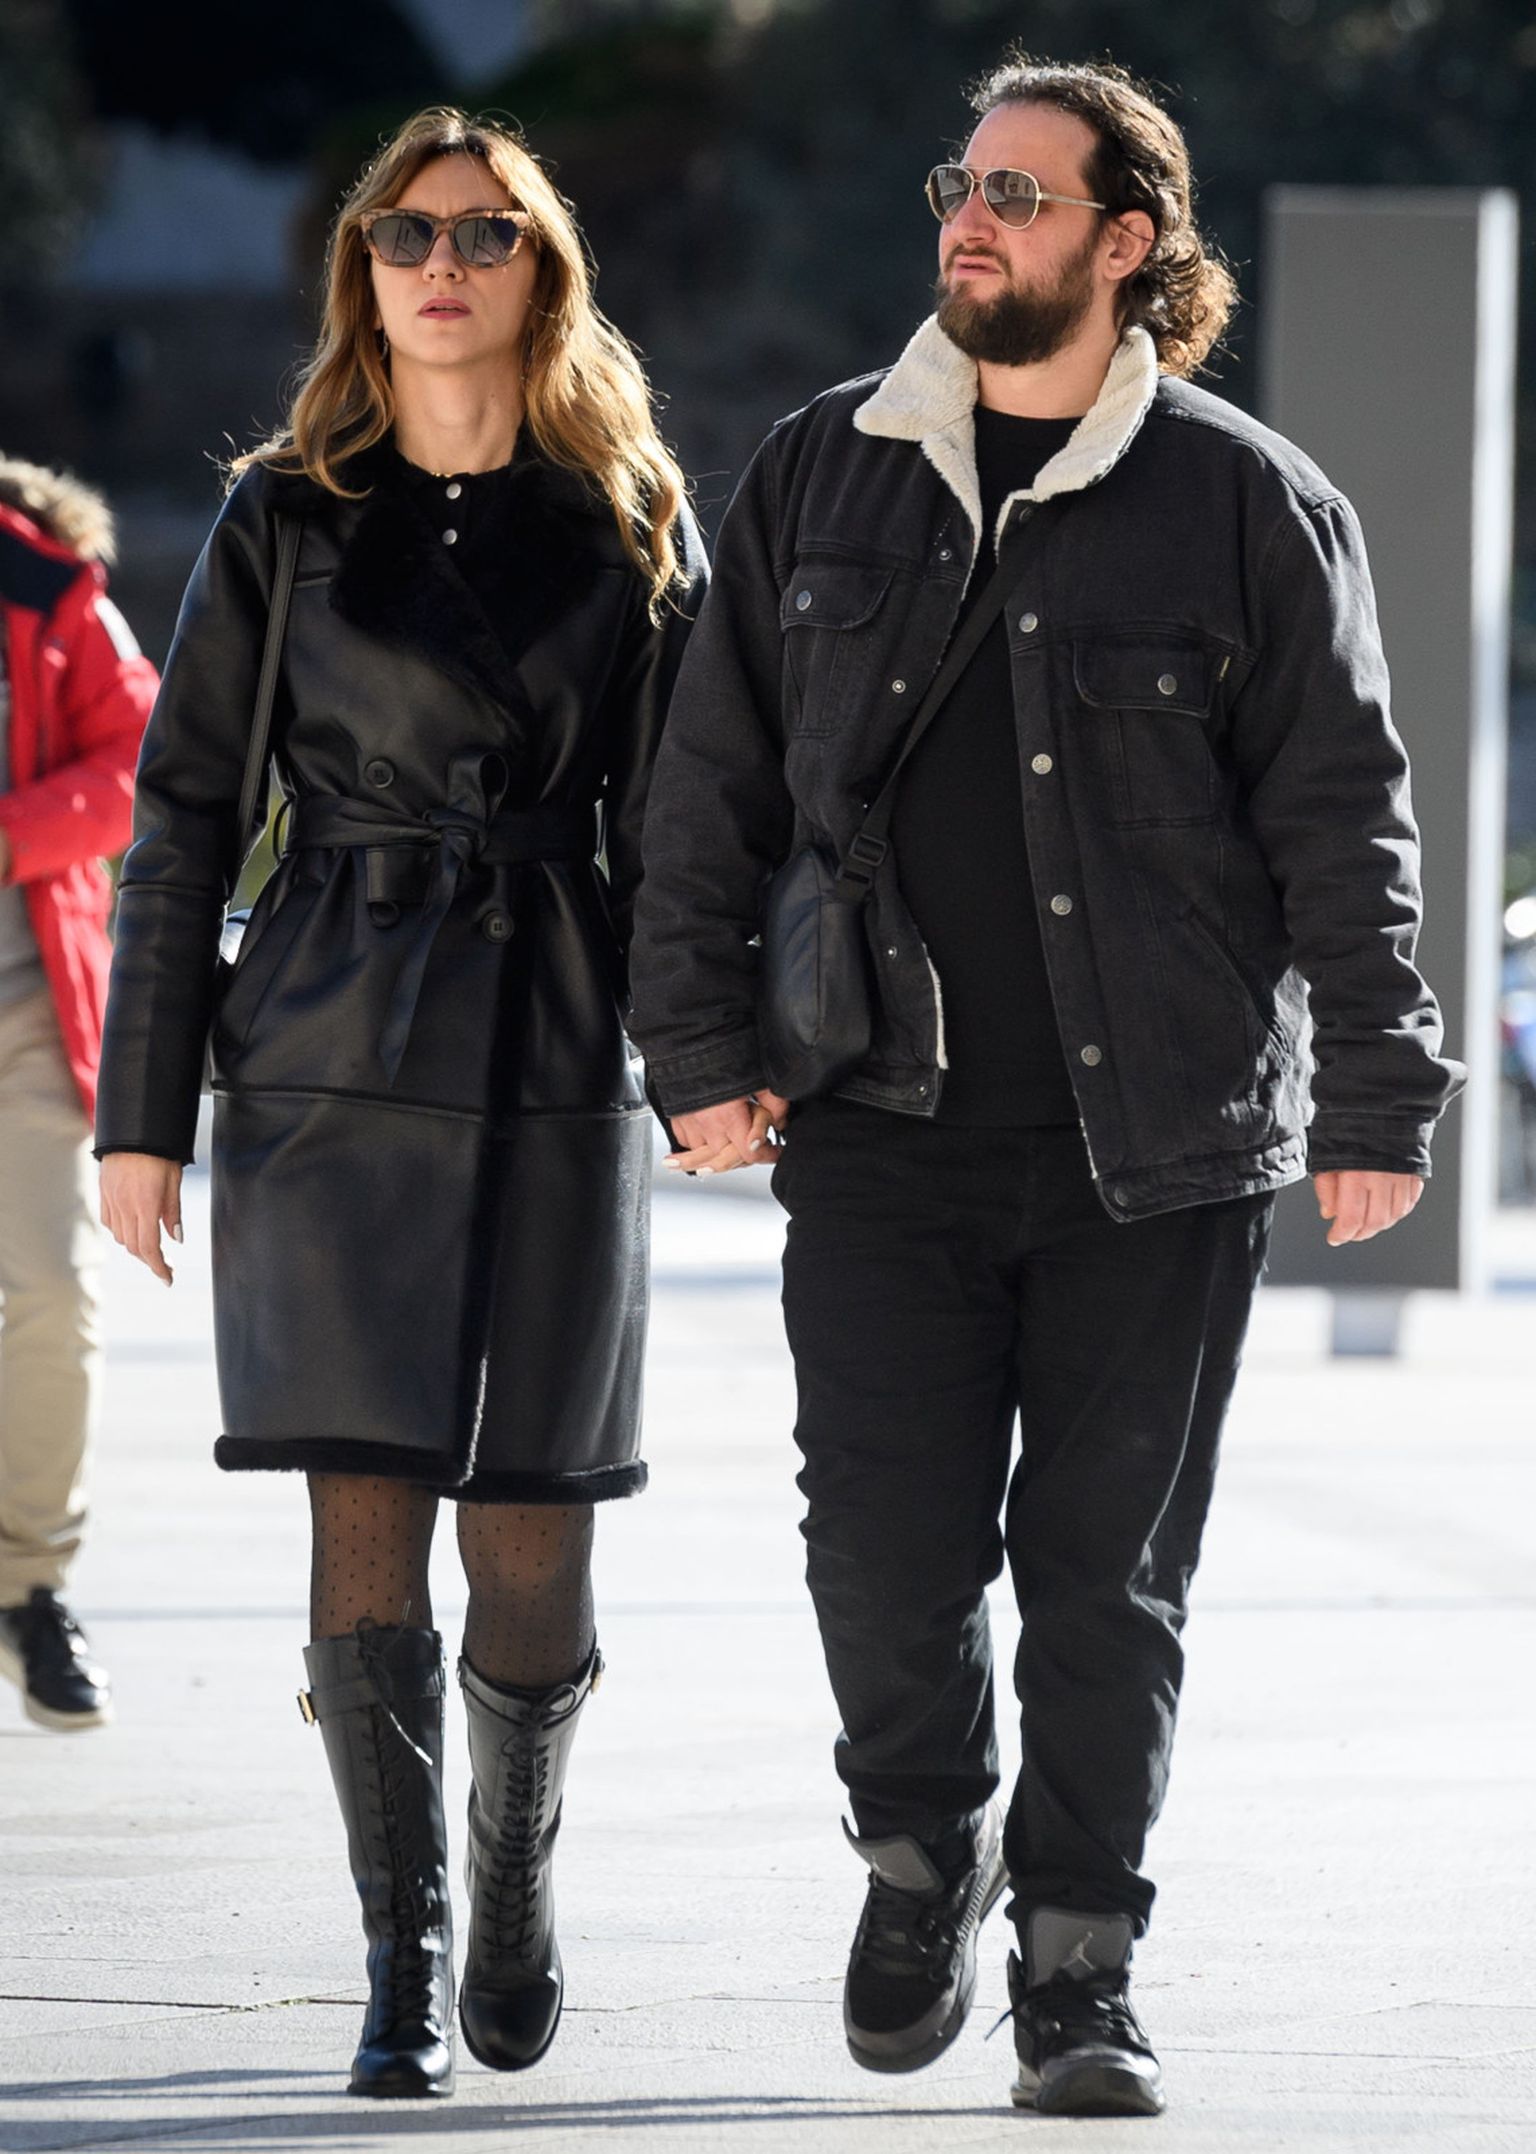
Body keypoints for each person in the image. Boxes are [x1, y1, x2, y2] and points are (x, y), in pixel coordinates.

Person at [628, 56, 1462, 2120]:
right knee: (880, 1554)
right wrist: (698, 1051)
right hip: (877, 1131)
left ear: (1127, 241)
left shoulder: (1249, 501)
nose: (971, 218)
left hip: (1158, 1146)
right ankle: (923, 1852)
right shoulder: (824, 472)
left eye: (1020, 191)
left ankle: (1080, 1966)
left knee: (1110, 1576)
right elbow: (708, 790)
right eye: (963, 182)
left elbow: (1345, 816)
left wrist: (1379, 1090)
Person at [95, 108, 705, 2100]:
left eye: (485, 233)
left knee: (533, 1528)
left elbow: (693, 834)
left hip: (554, 1039)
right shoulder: (283, 517)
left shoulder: (629, 512)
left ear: (543, 272)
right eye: (408, 233)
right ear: (361, 272)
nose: (444, 263)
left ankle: (511, 1883)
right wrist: (141, 1111)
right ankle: (403, 1948)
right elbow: (183, 817)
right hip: (325, 1053)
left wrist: (712, 1069)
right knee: (361, 1504)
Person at [0, 456, 155, 1731]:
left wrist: (16, 832)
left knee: (51, 1289)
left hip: (25, 1004)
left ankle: (27, 1586)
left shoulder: (43, 578)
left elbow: (142, 755)